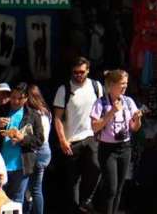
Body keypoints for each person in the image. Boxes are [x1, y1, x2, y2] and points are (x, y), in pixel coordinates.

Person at [53, 57, 105, 213]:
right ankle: (75, 208)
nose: (78, 75)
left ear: (88, 70)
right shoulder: (64, 89)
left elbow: (102, 110)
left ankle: (86, 200)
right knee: (73, 180)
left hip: (91, 136)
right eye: (75, 72)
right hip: (72, 140)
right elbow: (57, 118)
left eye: (82, 72)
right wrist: (62, 140)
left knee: (96, 168)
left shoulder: (96, 86)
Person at [0, 83, 45, 205]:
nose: (15, 101)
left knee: (16, 202)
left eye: (19, 98)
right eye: (13, 97)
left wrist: (23, 139)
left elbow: (39, 140)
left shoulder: (33, 115)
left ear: (26, 98)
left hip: (21, 167)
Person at [90, 69, 142, 214]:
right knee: (111, 188)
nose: (125, 87)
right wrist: (111, 112)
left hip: (125, 147)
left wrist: (137, 119)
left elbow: (134, 128)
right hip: (107, 149)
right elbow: (94, 127)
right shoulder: (101, 102)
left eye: (126, 83)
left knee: (119, 187)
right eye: (121, 84)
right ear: (112, 85)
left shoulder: (128, 101)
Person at [24, 85, 52, 214]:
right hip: (45, 149)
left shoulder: (33, 114)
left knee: (33, 188)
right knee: (35, 188)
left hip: (36, 149)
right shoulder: (46, 112)